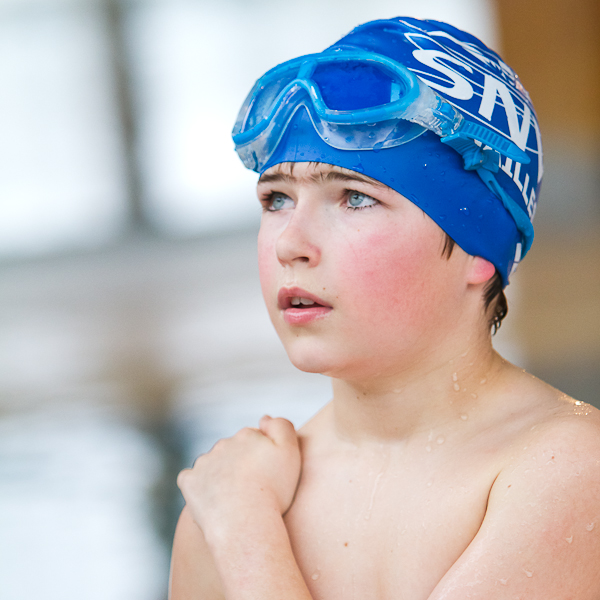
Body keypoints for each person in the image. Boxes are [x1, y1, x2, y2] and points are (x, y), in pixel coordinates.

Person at [170, 17, 600, 600]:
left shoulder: (569, 469)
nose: (290, 243)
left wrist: (247, 540)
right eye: (276, 199)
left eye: (354, 198)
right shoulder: (229, 495)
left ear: (478, 249)